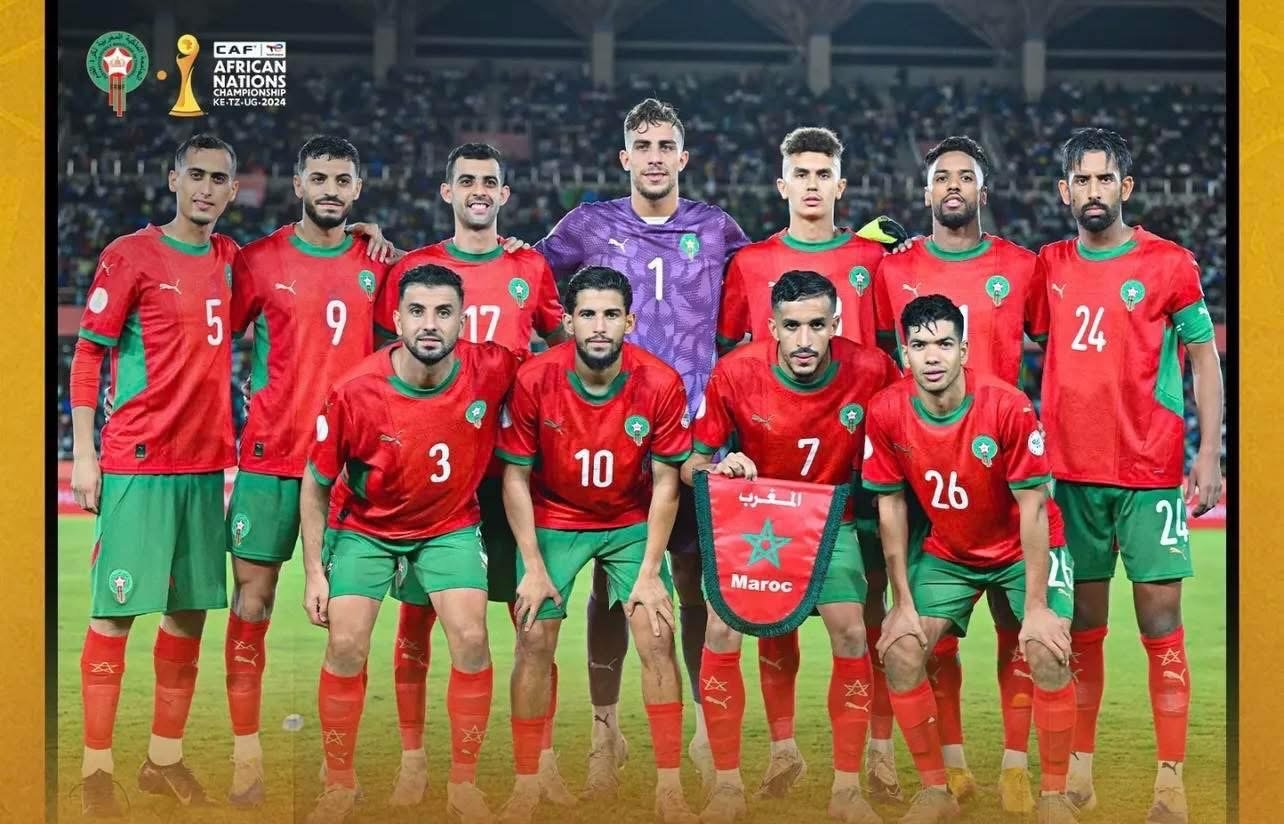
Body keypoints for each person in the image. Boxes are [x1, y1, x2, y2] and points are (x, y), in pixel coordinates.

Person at [535, 97, 750, 794]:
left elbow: (773, 281)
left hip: (694, 437)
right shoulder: (588, 224)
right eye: (643, 146)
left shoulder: (716, 228)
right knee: (609, 589)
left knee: (690, 588)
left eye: (666, 146)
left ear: (683, 157)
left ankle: (699, 728)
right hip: (610, 434)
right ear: (624, 157)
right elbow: (522, 277)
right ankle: (606, 732)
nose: (655, 158)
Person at [373, 142, 573, 806]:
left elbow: (560, 347)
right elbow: (387, 360)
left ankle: (539, 761)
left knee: (533, 622)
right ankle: (413, 763)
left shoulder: (529, 266)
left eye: (490, 181)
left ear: (504, 195)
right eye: (467, 181)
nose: (479, 190)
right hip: (434, 472)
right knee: (416, 622)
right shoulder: (415, 269)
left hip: (513, 470)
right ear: (447, 191)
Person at [714, 125, 905, 799]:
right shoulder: (749, 263)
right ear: (783, 184)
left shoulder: (874, 257)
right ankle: (782, 749)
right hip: (772, 476)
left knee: (869, 618)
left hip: (852, 472)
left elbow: (891, 348)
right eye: (802, 173)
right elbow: (733, 351)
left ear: (841, 184)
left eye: (825, 173)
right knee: (771, 621)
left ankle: (877, 753)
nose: (813, 184)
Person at [1038, 128, 1222, 824]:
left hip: (1148, 472)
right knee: (1083, 626)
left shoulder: (1169, 263)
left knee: (1160, 621)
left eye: (1104, 179)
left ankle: (1169, 781)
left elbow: (1204, 357)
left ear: (1126, 186)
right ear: (1065, 191)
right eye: (1081, 180)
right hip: (1070, 475)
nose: (1094, 191)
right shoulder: (1049, 264)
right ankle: (1080, 768)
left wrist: (1208, 453)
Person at [299, 265, 518, 824]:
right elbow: (316, 483)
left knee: (472, 637)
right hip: (366, 528)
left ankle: (462, 784)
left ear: (462, 320)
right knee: (346, 644)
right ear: (396, 320)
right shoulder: (355, 391)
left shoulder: (491, 367)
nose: (430, 324)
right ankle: (339, 784)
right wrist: (314, 573)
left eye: (444, 312)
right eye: (417, 311)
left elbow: (554, 374)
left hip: (449, 525)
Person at [681, 271, 900, 824]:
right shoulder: (736, 372)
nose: (805, 340)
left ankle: (846, 790)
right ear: (772, 326)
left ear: (836, 324)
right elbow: (691, 464)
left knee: (853, 632)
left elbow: (904, 436)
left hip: (833, 520)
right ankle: (727, 787)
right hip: (759, 520)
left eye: (817, 326)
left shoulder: (872, 369)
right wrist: (718, 468)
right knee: (721, 628)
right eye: (793, 326)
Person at [873, 135, 1051, 809]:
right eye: (942, 176)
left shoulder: (1021, 266)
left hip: (1002, 467)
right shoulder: (894, 268)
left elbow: (1057, 347)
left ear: (983, 190)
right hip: (924, 469)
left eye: (966, 176)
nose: (953, 185)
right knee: (928, 635)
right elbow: (883, 353)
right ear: (925, 192)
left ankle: (1014, 765)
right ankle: (950, 767)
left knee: (1018, 626)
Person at [221, 134, 396, 806]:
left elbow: (424, 317)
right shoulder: (259, 261)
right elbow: (213, 336)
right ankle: (245, 758)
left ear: (358, 190)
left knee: (348, 624)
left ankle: (338, 774)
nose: (330, 189)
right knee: (252, 604)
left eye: (342, 180)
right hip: (270, 460)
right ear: (298, 184)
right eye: (318, 178)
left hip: (347, 469)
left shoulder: (376, 263)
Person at [69, 134, 241, 815]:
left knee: (187, 616)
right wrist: (86, 455)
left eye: (218, 178)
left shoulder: (231, 260)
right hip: (138, 459)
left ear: (232, 190)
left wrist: (367, 234)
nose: (205, 187)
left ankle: (162, 760)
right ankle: (96, 770)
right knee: (115, 614)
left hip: (204, 465)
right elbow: (89, 355)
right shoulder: (130, 254)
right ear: (173, 180)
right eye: (195, 174)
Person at [495, 265, 700, 823]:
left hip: (630, 519)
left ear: (630, 321)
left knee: (657, 633)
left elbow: (666, 484)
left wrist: (650, 572)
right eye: (587, 314)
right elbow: (515, 477)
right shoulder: (536, 377)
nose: (600, 326)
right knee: (533, 637)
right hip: (555, 518)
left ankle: (669, 788)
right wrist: (533, 566)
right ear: (568, 321)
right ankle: (527, 784)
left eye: (611, 315)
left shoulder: (659, 381)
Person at [864, 293, 1079, 824]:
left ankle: (1054, 796)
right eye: (919, 345)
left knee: (1046, 649)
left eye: (944, 343)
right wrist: (901, 603)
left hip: (1024, 548)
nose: (932, 356)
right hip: (950, 550)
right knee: (901, 651)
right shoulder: (886, 411)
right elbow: (890, 506)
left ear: (963, 350)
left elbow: (1033, 505)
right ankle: (936, 790)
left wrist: (1037, 608)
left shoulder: (1007, 405)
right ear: (904, 355)